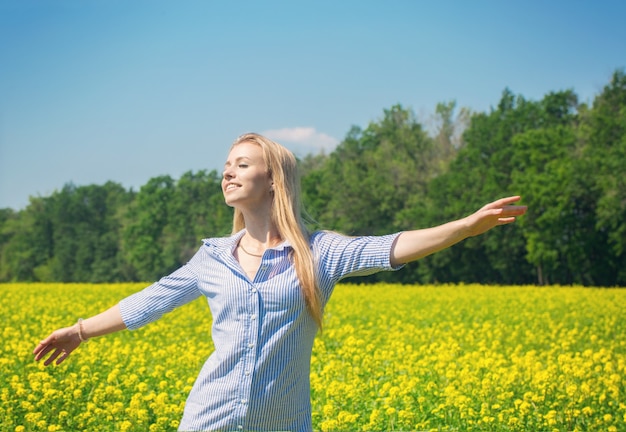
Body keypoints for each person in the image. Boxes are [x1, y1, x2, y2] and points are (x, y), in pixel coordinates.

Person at [33, 132, 527, 431]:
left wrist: (464, 227)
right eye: (226, 167)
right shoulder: (212, 258)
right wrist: (80, 331)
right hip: (209, 419)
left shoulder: (319, 252)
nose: (228, 173)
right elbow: (150, 301)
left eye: (242, 165)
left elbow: (390, 247)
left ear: (273, 180)